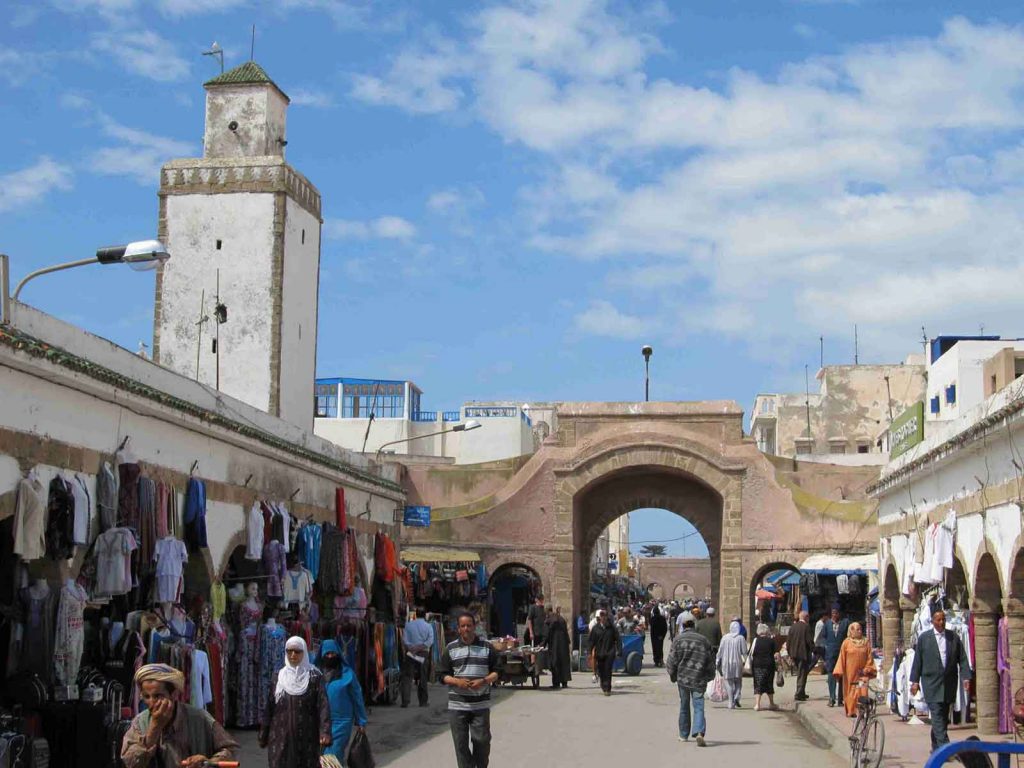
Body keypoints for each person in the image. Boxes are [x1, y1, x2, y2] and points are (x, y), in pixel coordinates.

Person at [121, 664, 238, 768]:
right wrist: (154, 728)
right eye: (147, 697)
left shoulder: (200, 718)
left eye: (158, 696)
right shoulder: (140, 723)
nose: (152, 703)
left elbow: (230, 750)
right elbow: (130, 762)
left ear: (174, 694)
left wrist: (209, 762)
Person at [436, 611, 500, 768]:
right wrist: (458, 682)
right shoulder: (450, 649)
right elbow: (441, 675)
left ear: (474, 627)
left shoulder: (487, 648)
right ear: (458, 629)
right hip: (458, 707)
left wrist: (484, 681)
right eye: (463, 626)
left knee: (482, 741)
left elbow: (498, 671)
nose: (466, 629)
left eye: (469, 625)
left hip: (480, 706)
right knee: (461, 746)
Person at [259, 636, 330, 768]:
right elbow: (269, 708)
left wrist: (325, 731)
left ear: (304, 653)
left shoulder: (314, 677)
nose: (293, 655)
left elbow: (323, 705)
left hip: (307, 737)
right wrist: (264, 734)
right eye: (289, 651)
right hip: (280, 737)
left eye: (297, 651)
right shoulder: (278, 677)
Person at [910, 609, 972, 751]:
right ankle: (946, 748)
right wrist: (914, 682)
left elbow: (962, 658)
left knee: (942, 718)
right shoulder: (924, 638)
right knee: (937, 714)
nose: (942, 622)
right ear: (932, 621)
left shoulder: (953, 637)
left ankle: (935, 746)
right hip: (931, 683)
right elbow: (917, 661)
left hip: (949, 683)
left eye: (943, 619)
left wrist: (966, 677)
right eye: (938, 619)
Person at [667, 615, 716, 746]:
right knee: (699, 706)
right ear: (694, 626)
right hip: (699, 678)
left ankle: (683, 735)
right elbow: (710, 660)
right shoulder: (703, 640)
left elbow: (671, 660)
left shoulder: (678, 640)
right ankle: (699, 732)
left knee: (684, 706)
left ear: (683, 626)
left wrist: (672, 675)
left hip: (683, 678)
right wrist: (710, 676)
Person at [319, 639, 368, 764]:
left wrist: (361, 721)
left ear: (338, 654)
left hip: (342, 721)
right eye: (327, 654)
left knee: (332, 755)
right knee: (322, 757)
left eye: (333, 653)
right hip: (321, 722)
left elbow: (357, 698)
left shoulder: (348, 674)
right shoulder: (315, 674)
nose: (330, 656)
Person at [832, 622, 877, 718]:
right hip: (850, 674)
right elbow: (842, 658)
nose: (857, 631)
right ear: (850, 631)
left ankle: (862, 710)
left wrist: (867, 669)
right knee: (851, 690)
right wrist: (838, 672)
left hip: (863, 674)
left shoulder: (866, 642)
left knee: (862, 689)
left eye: (859, 629)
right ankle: (851, 710)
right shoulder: (846, 643)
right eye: (855, 629)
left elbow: (870, 658)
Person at [402, 607, 435, 707]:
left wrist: (412, 648)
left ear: (416, 614)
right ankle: (423, 701)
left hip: (410, 653)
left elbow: (404, 640)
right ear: (425, 615)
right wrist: (419, 647)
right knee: (423, 677)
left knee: (407, 676)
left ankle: (405, 701)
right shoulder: (428, 626)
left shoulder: (408, 625)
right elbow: (430, 641)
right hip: (423, 653)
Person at [589, 609, 622, 696]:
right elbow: (591, 641)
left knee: (608, 670)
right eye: (601, 616)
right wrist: (589, 651)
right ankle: (603, 685)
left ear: (607, 617)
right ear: (599, 617)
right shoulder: (596, 629)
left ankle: (607, 688)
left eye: (605, 616)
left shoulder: (612, 628)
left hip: (609, 652)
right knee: (601, 671)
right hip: (599, 653)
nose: (603, 618)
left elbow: (618, 639)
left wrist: (619, 650)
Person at [716, 620, 748, 709]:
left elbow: (720, 651)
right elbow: (744, 652)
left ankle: (730, 702)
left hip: (726, 662)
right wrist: (748, 662)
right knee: (738, 681)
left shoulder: (725, 638)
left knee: (728, 681)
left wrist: (717, 660)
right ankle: (737, 695)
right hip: (737, 662)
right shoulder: (741, 638)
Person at [822, 607, 850, 708]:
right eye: (833, 613)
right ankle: (832, 698)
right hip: (830, 654)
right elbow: (824, 637)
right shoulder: (827, 624)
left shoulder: (845, 623)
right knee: (831, 676)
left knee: (842, 676)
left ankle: (841, 699)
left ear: (839, 614)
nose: (834, 615)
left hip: (842, 653)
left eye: (836, 613)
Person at [749, 623, 780, 711]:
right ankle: (771, 703)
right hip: (769, 665)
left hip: (757, 665)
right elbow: (776, 654)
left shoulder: (755, 641)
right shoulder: (771, 641)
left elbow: (751, 653)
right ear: (767, 631)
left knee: (758, 684)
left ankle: (757, 704)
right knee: (769, 684)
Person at [787, 610, 814, 701]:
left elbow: (788, 641)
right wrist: (813, 650)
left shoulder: (793, 627)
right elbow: (809, 641)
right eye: (808, 617)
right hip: (803, 654)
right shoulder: (806, 627)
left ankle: (802, 692)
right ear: (805, 617)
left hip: (794, 654)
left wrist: (789, 653)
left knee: (801, 673)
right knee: (802, 673)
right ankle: (799, 693)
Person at [545, 606, 572, 689]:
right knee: (564, 662)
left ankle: (556, 683)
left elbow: (547, 634)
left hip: (555, 645)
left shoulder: (549, 620)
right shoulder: (561, 619)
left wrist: (543, 644)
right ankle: (564, 682)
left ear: (547, 612)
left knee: (555, 662)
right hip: (563, 644)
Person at [650, 602, 669, 667]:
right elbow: (665, 628)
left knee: (655, 648)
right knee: (660, 648)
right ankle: (660, 660)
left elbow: (652, 629)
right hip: (660, 636)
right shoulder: (662, 618)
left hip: (654, 637)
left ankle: (656, 661)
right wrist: (663, 636)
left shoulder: (652, 619)